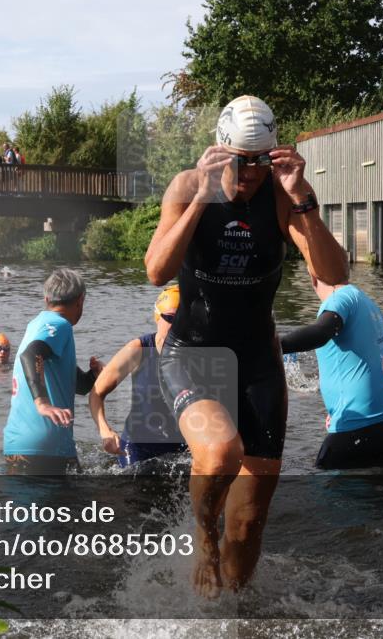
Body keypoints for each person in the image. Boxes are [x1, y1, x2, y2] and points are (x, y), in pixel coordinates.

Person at [144, 95, 348, 598]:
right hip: (193, 354)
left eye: (262, 160)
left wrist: (300, 195)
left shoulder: (283, 197)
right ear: (221, 150)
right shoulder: (188, 186)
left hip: (258, 360)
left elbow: (335, 274)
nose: (252, 172)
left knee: (250, 523)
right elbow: (156, 271)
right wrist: (201, 199)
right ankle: (202, 537)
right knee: (219, 455)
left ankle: (236, 613)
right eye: (242, 160)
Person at [280, 276, 383, 469]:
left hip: (361, 424)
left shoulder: (339, 299)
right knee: (381, 490)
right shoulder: (366, 302)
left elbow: (321, 332)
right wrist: (336, 410)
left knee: (328, 487)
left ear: (313, 278)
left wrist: (272, 346)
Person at [2, 269, 102, 474]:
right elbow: (31, 355)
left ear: (46, 298)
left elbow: (80, 386)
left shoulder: (37, 325)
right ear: (80, 300)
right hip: (47, 447)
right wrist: (43, 403)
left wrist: (94, 375)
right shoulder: (59, 325)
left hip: (17, 443)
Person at [89, 285, 188, 467]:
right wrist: (105, 430)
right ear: (157, 316)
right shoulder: (139, 349)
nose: (176, 326)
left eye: (183, 319)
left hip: (182, 451)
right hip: (138, 448)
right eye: (170, 318)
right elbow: (97, 393)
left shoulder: (196, 353)